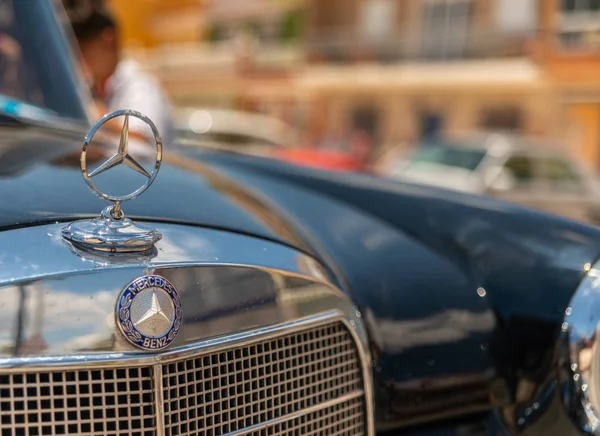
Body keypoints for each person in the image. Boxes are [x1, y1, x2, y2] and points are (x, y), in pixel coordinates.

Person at [62, 0, 174, 148]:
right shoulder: (92, 85)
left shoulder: (140, 88)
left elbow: (144, 145)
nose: (78, 58)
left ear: (108, 40)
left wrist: (94, 115)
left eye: (83, 48)